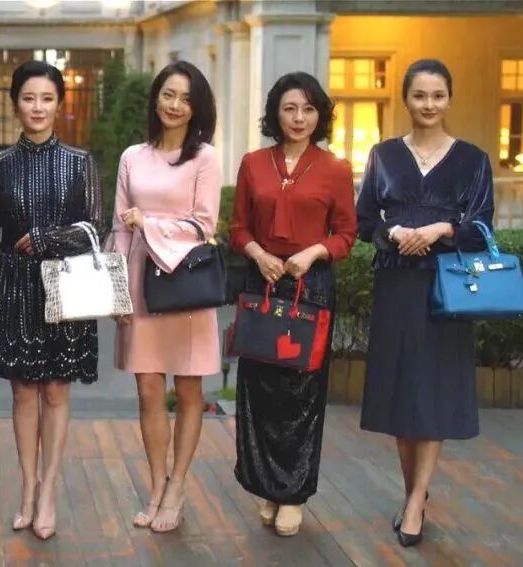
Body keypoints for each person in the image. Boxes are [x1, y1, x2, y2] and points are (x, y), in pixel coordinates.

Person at [356, 59, 494, 548]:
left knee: (431, 392)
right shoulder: (384, 155)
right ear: (406, 99)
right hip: (395, 284)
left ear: (448, 99)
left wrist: (441, 229)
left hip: (446, 288)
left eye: (437, 95)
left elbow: (482, 226)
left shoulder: (473, 159)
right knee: (401, 392)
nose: (429, 104)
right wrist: (394, 231)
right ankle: (412, 489)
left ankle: (415, 500)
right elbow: (364, 219)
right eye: (419, 95)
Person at [0, 60, 102, 540]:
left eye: (47, 98)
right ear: (15, 104)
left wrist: (48, 237)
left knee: (57, 392)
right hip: (14, 288)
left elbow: (96, 229)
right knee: (23, 391)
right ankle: (28, 489)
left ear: (59, 104)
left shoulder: (81, 162)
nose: (38, 107)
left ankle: (48, 494)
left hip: (65, 287)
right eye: (29, 98)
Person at [229, 72, 356, 537]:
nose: (299, 117)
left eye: (308, 108)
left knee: (301, 394)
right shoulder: (253, 163)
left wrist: (313, 252)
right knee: (261, 390)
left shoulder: (335, 169)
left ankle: (294, 494)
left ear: (320, 115)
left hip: (310, 284)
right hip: (262, 281)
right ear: (275, 114)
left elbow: (347, 234)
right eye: (289, 108)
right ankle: (269, 487)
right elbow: (238, 228)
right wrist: (259, 254)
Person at [110, 61, 222, 533]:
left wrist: (149, 223)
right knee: (148, 390)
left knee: (189, 390)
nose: (175, 105)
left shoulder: (206, 158)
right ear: (156, 97)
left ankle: (178, 486)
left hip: (186, 284)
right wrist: (117, 290)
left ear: (197, 108)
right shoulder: (132, 157)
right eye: (168, 94)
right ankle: (157, 486)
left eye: (186, 98)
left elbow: (204, 225)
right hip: (140, 281)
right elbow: (119, 227)